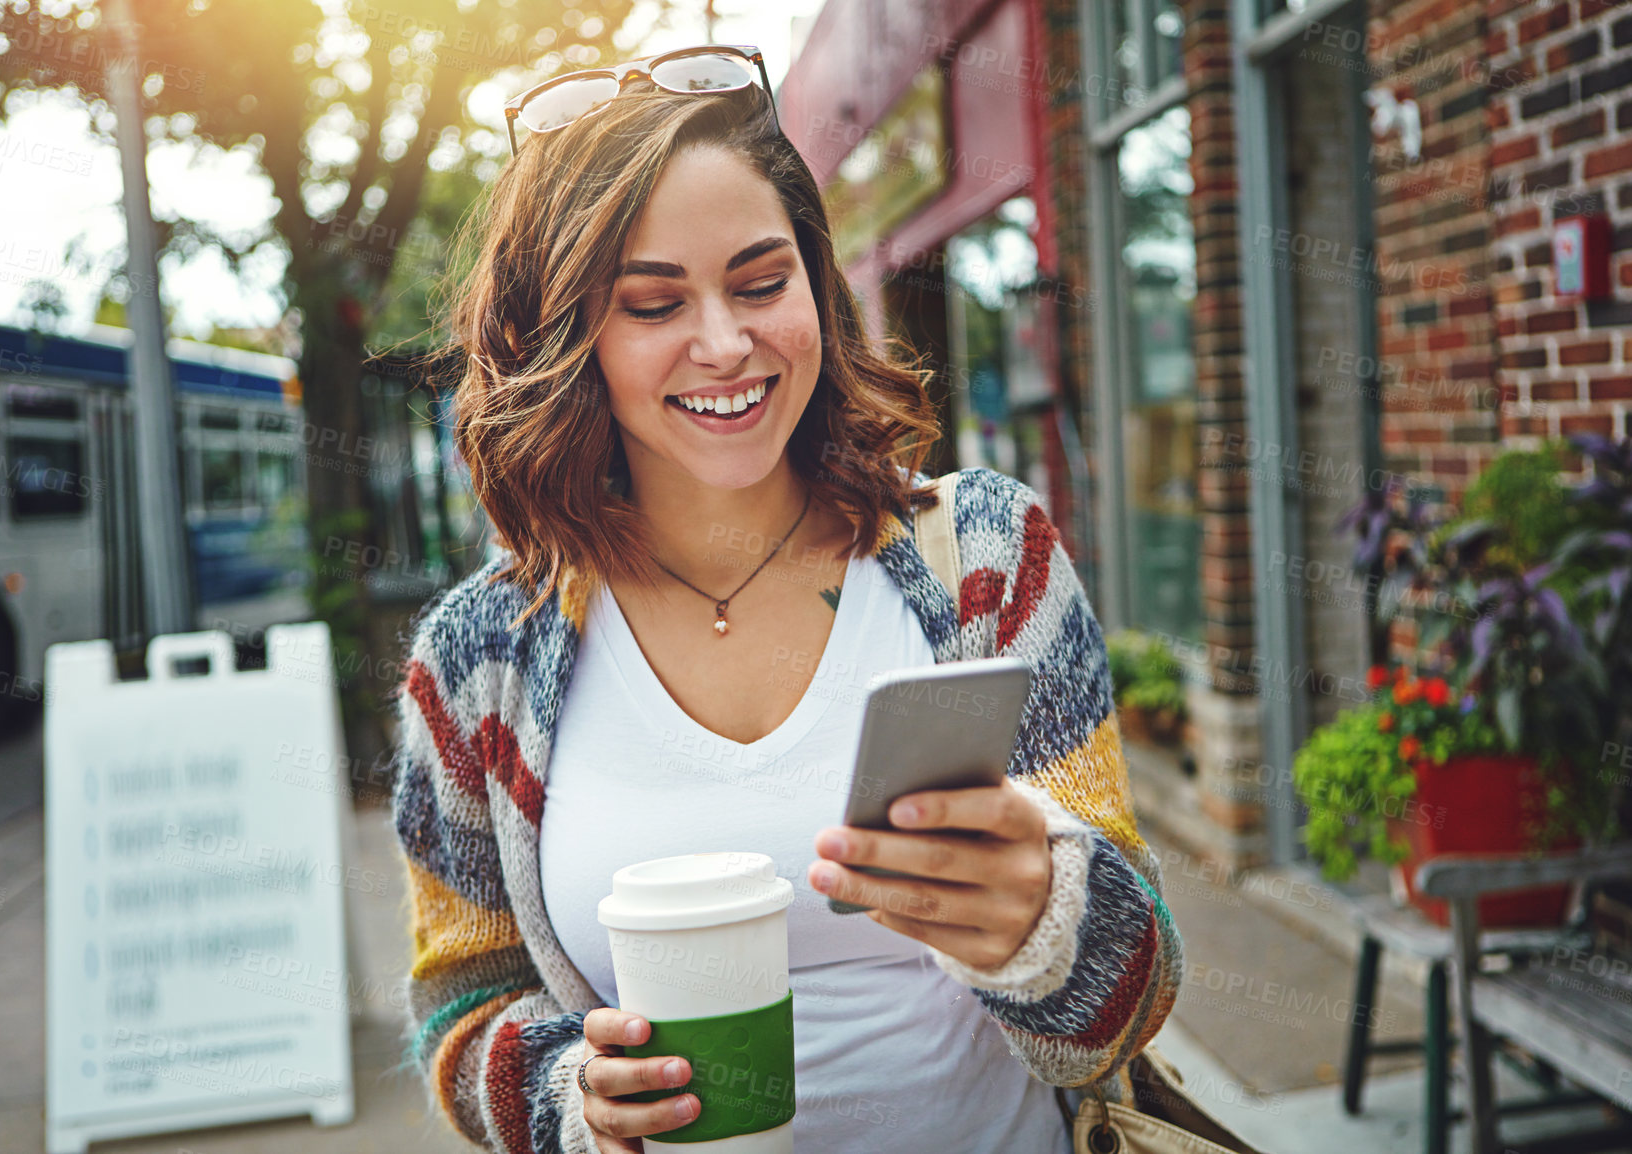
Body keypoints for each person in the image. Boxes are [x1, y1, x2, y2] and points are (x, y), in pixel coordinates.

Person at [391, 45, 1183, 1154]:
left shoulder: (987, 557)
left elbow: (1129, 1007)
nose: (726, 343)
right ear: (570, 339)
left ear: (816, 280)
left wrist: (1046, 926)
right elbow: (462, 1002)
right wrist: (570, 1094)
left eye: (762, 283)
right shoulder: (478, 660)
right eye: (652, 303)